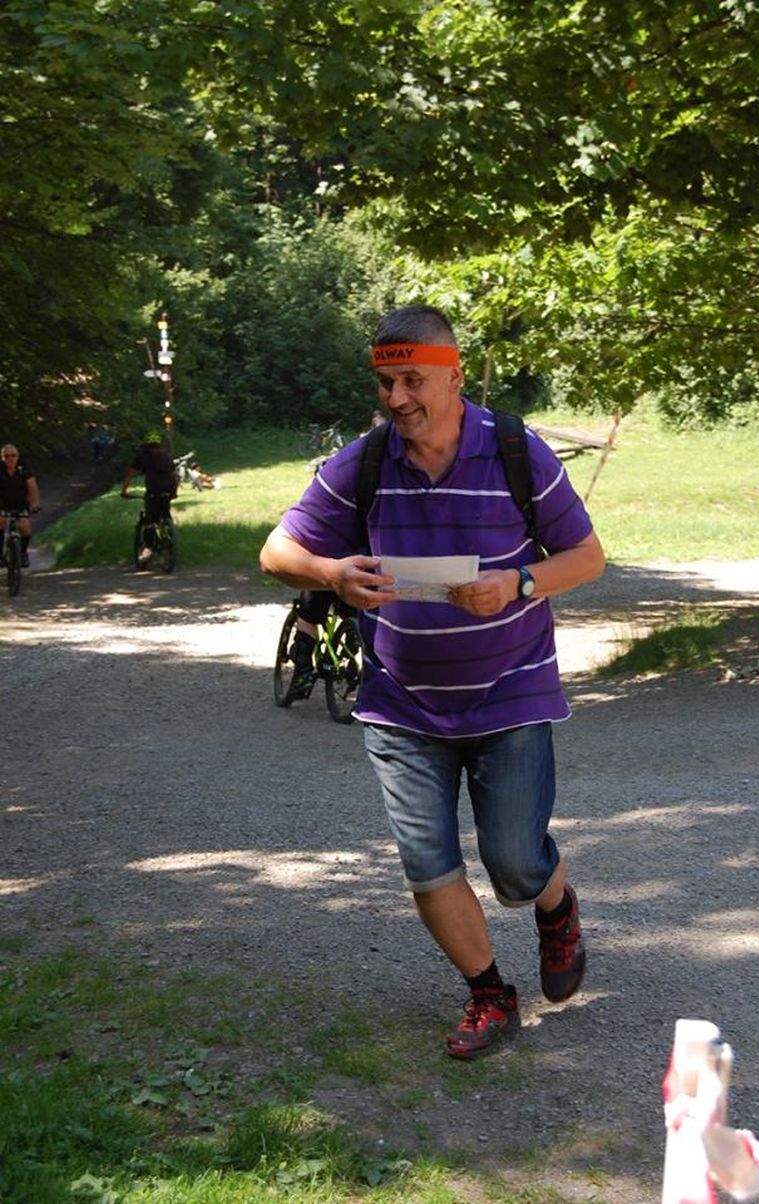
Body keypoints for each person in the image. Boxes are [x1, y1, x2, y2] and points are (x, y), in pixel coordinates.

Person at [260, 304, 605, 1059]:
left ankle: (554, 905)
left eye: (412, 380)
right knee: (428, 863)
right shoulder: (364, 462)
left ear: (453, 375)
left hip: (510, 692)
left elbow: (586, 557)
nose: (396, 398)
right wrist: (330, 572)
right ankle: (489, 994)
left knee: (514, 862)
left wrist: (518, 582)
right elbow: (276, 552)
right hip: (400, 705)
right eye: (385, 383)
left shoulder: (515, 450)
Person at [120, 430, 177, 562]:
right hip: (169, 489)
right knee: (165, 512)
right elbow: (175, 474)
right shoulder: (166, 454)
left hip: (154, 490)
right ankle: (168, 532)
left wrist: (124, 491)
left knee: (149, 519)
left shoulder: (143, 456)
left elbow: (129, 474)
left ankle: (148, 548)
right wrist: (174, 491)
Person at [0, 444, 41, 567]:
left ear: (17, 456)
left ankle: (23, 553)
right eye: (7, 456)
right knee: (0, 522)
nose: (10, 459)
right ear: (2, 457)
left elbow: (32, 487)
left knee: (25, 527)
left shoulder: (24, 469)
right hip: (2, 503)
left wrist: (35, 504)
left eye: (13, 455)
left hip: (20, 503)